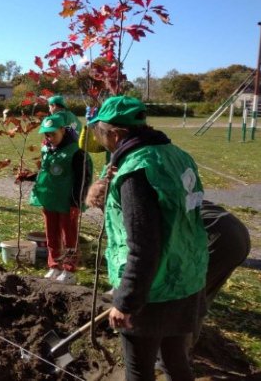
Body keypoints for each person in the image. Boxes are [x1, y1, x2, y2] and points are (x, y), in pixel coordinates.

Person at [85, 95, 208, 381]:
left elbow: (143, 245)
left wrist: (126, 301)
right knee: (174, 362)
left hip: (153, 290)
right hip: (186, 278)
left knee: (139, 370)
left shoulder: (135, 172)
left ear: (116, 134)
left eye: (101, 133)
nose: (100, 140)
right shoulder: (176, 155)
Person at [19, 114, 92, 284]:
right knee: (51, 234)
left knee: (69, 236)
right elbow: (46, 172)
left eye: (53, 134)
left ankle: (69, 270)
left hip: (67, 202)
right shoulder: (47, 149)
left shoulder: (77, 152)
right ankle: (54, 266)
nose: (49, 137)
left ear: (63, 130)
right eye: (47, 134)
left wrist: (76, 202)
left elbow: (83, 179)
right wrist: (28, 176)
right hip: (50, 199)